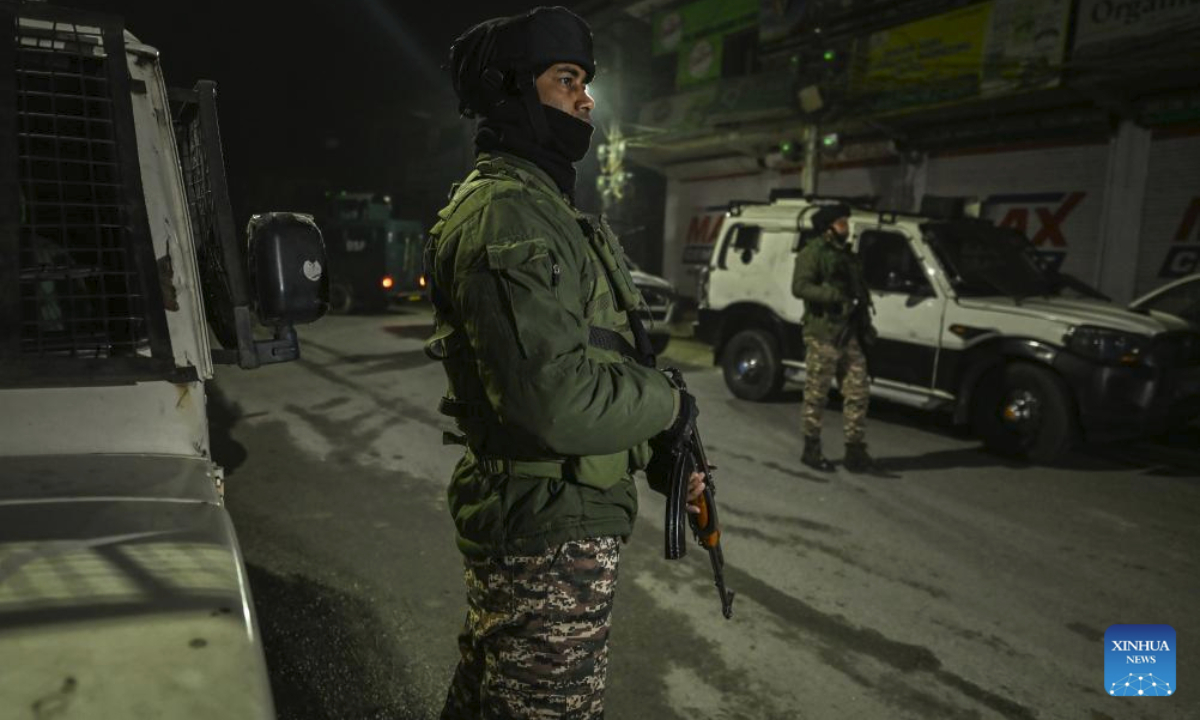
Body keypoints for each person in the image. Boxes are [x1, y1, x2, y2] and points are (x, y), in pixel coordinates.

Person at [426, 7, 703, 718]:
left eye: (586, 82)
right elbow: (554, 400)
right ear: (513, 89)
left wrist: (658, 439)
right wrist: (667, 402)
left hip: (554, 520)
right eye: (567, 79)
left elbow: (595, 354)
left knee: (489, 697)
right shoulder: (510, 213)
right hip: (546, 531)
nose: (585, 99)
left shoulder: (546, 207)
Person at [791, 203, 877, 473]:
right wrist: (833, 297)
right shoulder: (813, 253)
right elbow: (800, 286)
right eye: (841, 223)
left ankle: (855, 449)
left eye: (846, 223)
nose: (846, 228)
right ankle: (811, 448)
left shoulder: (846, 256)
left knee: (858, 392)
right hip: (823, 334)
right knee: (817, 393)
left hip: (849, 334)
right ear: (828, 227)